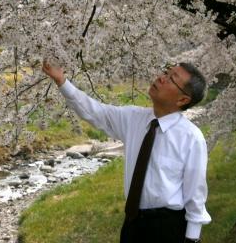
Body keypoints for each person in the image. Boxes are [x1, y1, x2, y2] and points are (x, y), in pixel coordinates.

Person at [42, 60, 211, 243]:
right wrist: (62, 82)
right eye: (166, 72)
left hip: (167, 228)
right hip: (132, 223)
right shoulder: (134, 118)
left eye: (171, 79)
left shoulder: (191, 137)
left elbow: (195, 192)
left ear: (182, 100)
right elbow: (95, 112)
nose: (161, 78)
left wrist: (192, 239)